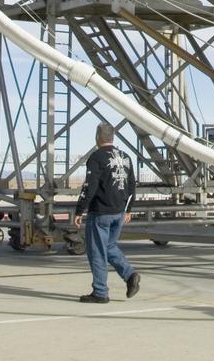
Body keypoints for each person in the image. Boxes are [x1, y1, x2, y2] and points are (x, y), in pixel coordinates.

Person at [74, 122, 140, 304]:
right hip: (119, 211)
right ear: (113, 137)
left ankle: (100, 292)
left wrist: (80, 210)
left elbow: (90, 186)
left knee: (96, 251)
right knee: (109, 246)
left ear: (97, 137)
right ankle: (130, 275)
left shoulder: (96, 158)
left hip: (101, 212)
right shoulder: (126, 157)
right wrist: (129, 209)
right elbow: (132, 185)